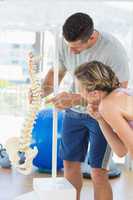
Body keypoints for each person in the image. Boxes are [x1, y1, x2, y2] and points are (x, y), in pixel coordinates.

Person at [29, 13, 129, 200]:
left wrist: (77, 99)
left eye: (76, 48)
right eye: (69, 45)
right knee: (69, 166)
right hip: (73, 114)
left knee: (98, 172)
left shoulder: (113, 51)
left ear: (91, 37)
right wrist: (40, 92)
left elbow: (118, 95)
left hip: (102, 116)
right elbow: (56, 73)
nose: (71, 51)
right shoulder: (64, 43)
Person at [74, 60, 133, 159]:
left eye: (80, 90)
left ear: (95, 93)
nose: (80, 94)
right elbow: (121, 151)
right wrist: (101, 120)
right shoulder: (121, 94)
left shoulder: (108, 105)